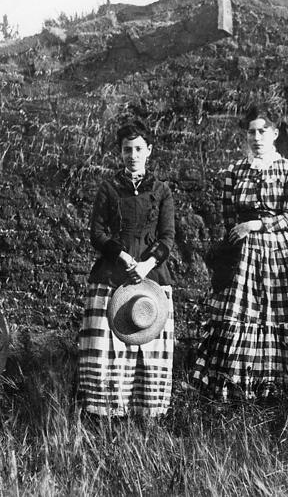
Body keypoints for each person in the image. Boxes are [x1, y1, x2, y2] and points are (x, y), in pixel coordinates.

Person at [191, 105, 288, 401]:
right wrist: (241, 234)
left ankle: (275, 388)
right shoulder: (235, 170)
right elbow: (229, 215)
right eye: (251, 132)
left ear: (275, 133)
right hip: (242, 255)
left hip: (277, 253)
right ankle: (234, 385)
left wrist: (257, 224)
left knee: (274, 314)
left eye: (262, 131)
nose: (256, 137)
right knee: (239, 313)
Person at [76, 120, 176, 417]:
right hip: (113, 275)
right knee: (109, 351)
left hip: (151, 278)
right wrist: (122, 256)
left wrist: (146, 265)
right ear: (120, 153)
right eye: (126, 149)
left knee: (146, 341)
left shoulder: (161, 191)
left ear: (149, 151)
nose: (132, 155)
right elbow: (97, 232)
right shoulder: (109, 189)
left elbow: (167, 236)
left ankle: (146, 415)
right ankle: (106, 414)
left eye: (138, 149)